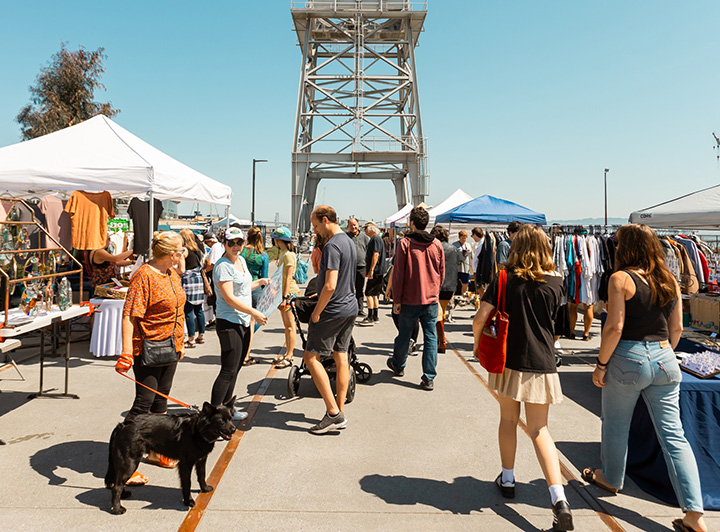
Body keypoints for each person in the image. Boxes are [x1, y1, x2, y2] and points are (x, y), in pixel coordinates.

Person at [583, 224, 707, 532]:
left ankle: (611, 478)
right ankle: (694, 513)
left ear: (627, 247)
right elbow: (677, 328)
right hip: (665, 356)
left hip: (628, 356)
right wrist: (662, 353)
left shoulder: (620, 278)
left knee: (616, 424)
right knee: (674, 436)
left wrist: (601, 364)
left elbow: (614, 328)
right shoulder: (669, 280)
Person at [472, 225, 572, 532]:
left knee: (508, 419)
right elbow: (560, 326)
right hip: (542, 362)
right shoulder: (557, 281)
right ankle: (559, 499)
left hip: (508, 361)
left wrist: (477, 344)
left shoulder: (504, 278)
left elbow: (480, 317)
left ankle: (508, 477)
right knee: (540, 429)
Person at [115, 231, 187, 485]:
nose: (184, 254)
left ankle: (156, 452)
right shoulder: (143, 276)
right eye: (181, 250)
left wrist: (181, 341)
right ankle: (124, 462)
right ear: (171, 254)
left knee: (161, 401)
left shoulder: (171, 274)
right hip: (148, 348)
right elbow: (129, 316)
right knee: (142, 405)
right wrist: (126, 352)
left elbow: (178, 308)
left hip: (171, 347)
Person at [304, 205, 358, 433]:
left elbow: (329, 285)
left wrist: (317, 311)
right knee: (341, 356)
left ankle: (333, 413)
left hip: (333, 309)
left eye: (316, 225)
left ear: (325, 220)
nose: (315, 230)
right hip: (350, 306)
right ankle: (340, 411)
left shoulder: (332, 246)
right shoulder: (348, 241)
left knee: (311, 357)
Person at [211, 227, 269, 421]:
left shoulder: (241, 261)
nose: (235, 246)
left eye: (239, 242)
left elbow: (242, 288)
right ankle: (214, 416)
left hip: (243, 320)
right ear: (224, 244)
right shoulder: (223, 266)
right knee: (228, 370)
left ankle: (228, 410)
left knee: (235, 369)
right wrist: (254, 312)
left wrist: (260, 282)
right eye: (231, 243)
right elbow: (229, 297)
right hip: (229, 322)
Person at [386, 206, 444, 391]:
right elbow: (441, 272)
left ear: (412, 223)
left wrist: (397, 299)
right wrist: (435, 291)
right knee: (431, 337)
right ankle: (429, 377)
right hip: (431, 299)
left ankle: (399, 364)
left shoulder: (405, 243)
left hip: (409, 299)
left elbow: (399, 274)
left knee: (404, 335)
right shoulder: (437, 244)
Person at [239, 226, 270, 366]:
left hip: (241, 288)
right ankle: (246, 353)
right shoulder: (263, 255)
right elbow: (265, 276)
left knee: (241, 318)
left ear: (247, 236)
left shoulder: (241, 252)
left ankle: (240, 345)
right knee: (253, 321)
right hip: (256, 288)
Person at [271, 227, 300, 369]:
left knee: (290, 326)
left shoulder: (289, 255)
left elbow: (289, 277)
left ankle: (289, 355)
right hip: (283, 292)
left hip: (289, 293)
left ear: (278, 240)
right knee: (287, 326)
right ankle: (288, 352)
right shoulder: (283, 253)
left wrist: (284, 297)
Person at [430, 225, 457, 354]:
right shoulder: (453, 248)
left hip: (437, 284)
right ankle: (440, 339)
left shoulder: (433, 247)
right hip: (450, 285)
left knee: (437, 313)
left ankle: (441, 341)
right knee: (443, 312)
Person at [178, 229, 206, 348]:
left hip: (188, 281)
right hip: (198, 280)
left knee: (188, 310)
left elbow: (181, 270)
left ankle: (191, 338)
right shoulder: (197, 250)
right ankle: (201, 335)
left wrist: (172, 269)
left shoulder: (184, 250)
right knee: (199, 310)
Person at [358, 221, 385, 326]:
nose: (364, 231)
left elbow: (375, 254)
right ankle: (375, 316)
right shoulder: (377, 239)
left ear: (371, 229)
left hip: (376, 271)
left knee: (368, 293)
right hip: (379, 270)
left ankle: (370, 317)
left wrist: (371, 270)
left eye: (366, 228)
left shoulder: (375, 239)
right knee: (374, 294)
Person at [347, 217, 370, 317]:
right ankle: (349, 309)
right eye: (351, 225)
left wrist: (368, 268)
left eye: (354, 225)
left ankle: (360, 309)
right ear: (348, 226)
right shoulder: (346, 237)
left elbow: (368, 252)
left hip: (361, 267)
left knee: (360, 289)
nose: (353, 227)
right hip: (349, 267)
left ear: (358, 225)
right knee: (348, 289)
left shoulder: (364, 237)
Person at [203, 232, 225, 326]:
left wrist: (204, 271)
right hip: (219, 275)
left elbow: (213, 264)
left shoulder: (215, 247)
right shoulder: (219, 246)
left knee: (215, 298)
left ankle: (218, 320)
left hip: (214, 275)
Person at [453, 230, 473, 297]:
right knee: (454, 284)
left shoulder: (468, 245)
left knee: (465, 284)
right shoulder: (454, 245)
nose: (464, 239)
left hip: (466, 268)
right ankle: (451, 299)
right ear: (459, 237)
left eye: (465, 238)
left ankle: (464, 298)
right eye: (462, 238)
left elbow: (472, 256)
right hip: (457, 268)